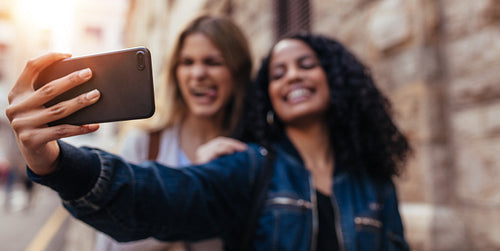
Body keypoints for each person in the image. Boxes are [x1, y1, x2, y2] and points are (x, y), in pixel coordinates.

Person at [5, 33, 411, 250]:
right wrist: (54, 163)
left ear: (336, 80)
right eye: (278, 72)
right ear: (266, 95)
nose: (292, 77)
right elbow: (153, 195)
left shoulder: (375, 183)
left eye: (306, 65)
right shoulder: (251, 166)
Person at [93, 14, 252, 251]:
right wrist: (193, 181)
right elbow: (111, 243)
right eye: (187, 62)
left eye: (213, 62)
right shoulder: (143, 144)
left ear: (237, 71)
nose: (198, 73)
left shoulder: (251, 152)